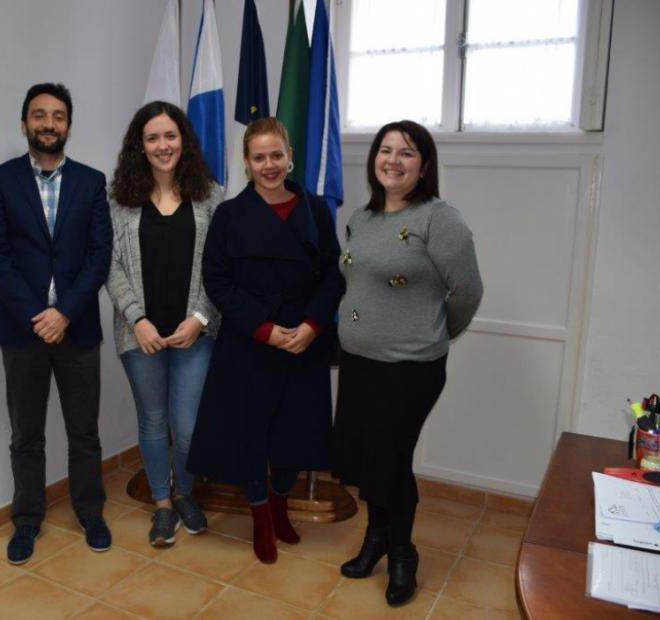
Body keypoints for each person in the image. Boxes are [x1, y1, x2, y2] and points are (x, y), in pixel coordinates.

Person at [332, 120, 483, 605]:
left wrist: (434, 333)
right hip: (358, 363)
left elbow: (467, 292)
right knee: (368, 458)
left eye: (407, 153)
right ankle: (375, 539)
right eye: (386, 150)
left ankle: (401, 553)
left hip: (409, 370)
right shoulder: (362, 217)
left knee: (391, 460)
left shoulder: (440, 219)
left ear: (424, 166)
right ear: (374, 158)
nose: (393, 160)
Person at [187, 117, 344, 564]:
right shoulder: (230, 215)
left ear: (290, 155)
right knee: (250, 435)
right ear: (247, 162)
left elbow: (333, 273)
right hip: (250, 341)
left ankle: (279, 501)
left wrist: (312, 325)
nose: (269, 165)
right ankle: (259, 514)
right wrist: (263, 328)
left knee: (298, 433)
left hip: (303, 340)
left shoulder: (315, 209)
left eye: (277, 155)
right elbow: (217, 281)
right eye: (260, 157)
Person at [0, 83, 114, 563]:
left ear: (69, 127)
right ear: (24, 124)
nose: (49, 123)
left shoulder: (92, 182)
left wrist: (65, 312)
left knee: (85, 433)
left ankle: (91, 513)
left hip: (76, 328)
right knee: (26, 435)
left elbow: (100, 257)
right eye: (39, 115)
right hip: (21, 330)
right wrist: (39, 316)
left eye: (58, 116)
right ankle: (27, 521)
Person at [105, 101, 224, 547]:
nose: (162, 145)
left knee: (188, 425)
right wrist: (136, 320)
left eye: (169, 136)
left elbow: (220, 265)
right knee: (153, 423)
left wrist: (199, 317)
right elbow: (110, 265)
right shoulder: (117, 200)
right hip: (142, 337)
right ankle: (162, 504)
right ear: (140, 145)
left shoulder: (211, 195)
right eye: (152, 137)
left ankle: (186, 490)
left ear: (184, 141)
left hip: (195, 333)